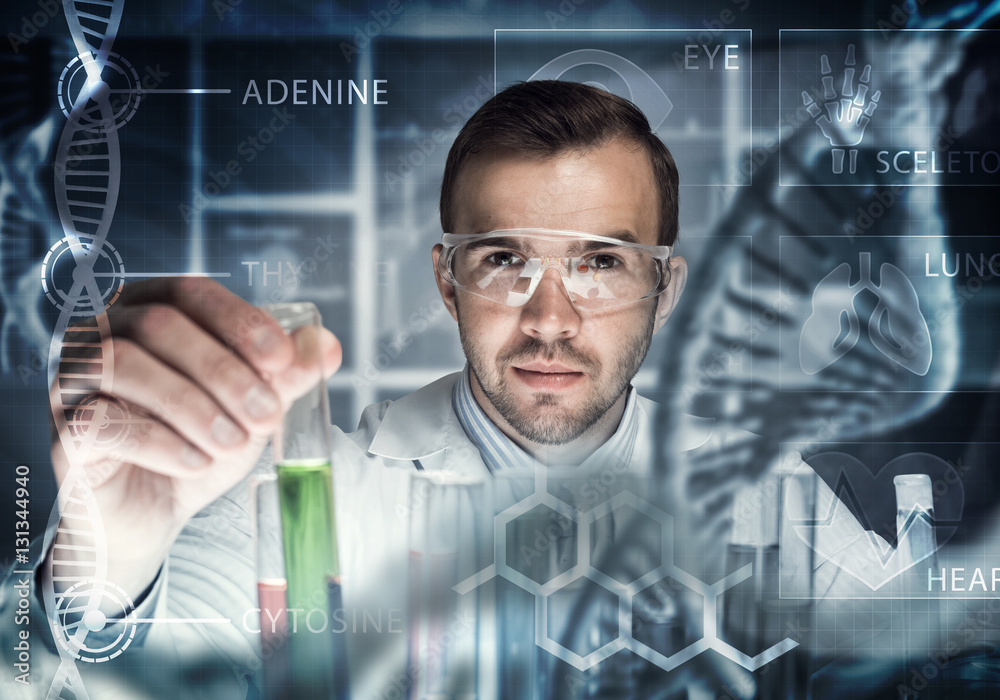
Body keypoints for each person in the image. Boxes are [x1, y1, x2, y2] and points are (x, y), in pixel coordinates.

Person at [0, 80, 874, 699]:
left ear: (665, 288)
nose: (552, 320)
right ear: (448, 281)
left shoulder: (767, 491)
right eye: (504, 261)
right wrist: (102, 568)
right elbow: (70, 681)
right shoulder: (313, 499)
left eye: (601, 263)